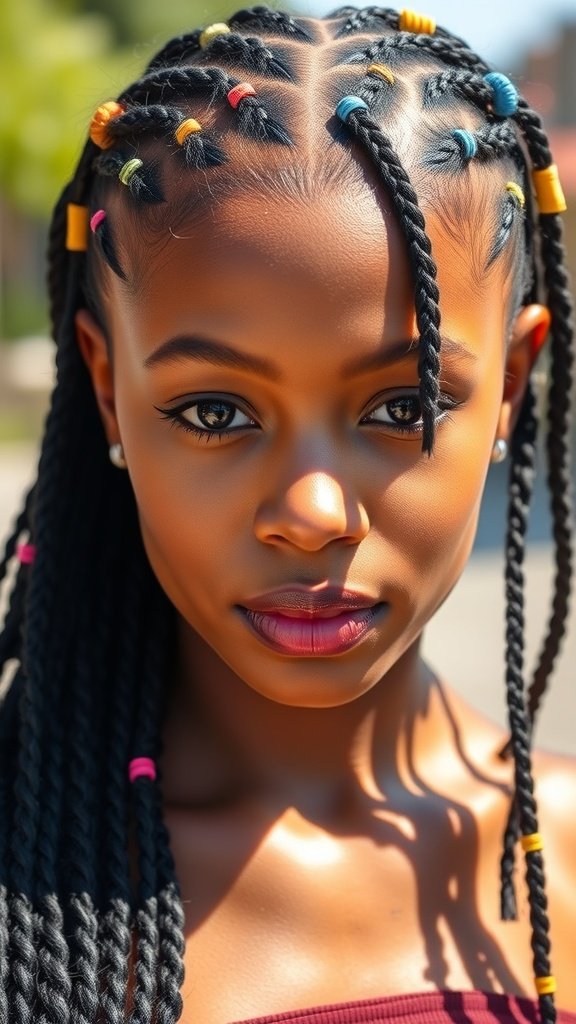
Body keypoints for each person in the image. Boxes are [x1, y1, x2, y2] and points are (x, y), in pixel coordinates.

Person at [0, 5, 575, 1024]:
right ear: (105, 386)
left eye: (402, 406)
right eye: (215, 412)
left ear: (513, 387)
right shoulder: (29, 888)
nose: (313, 515)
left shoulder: (563, 859)